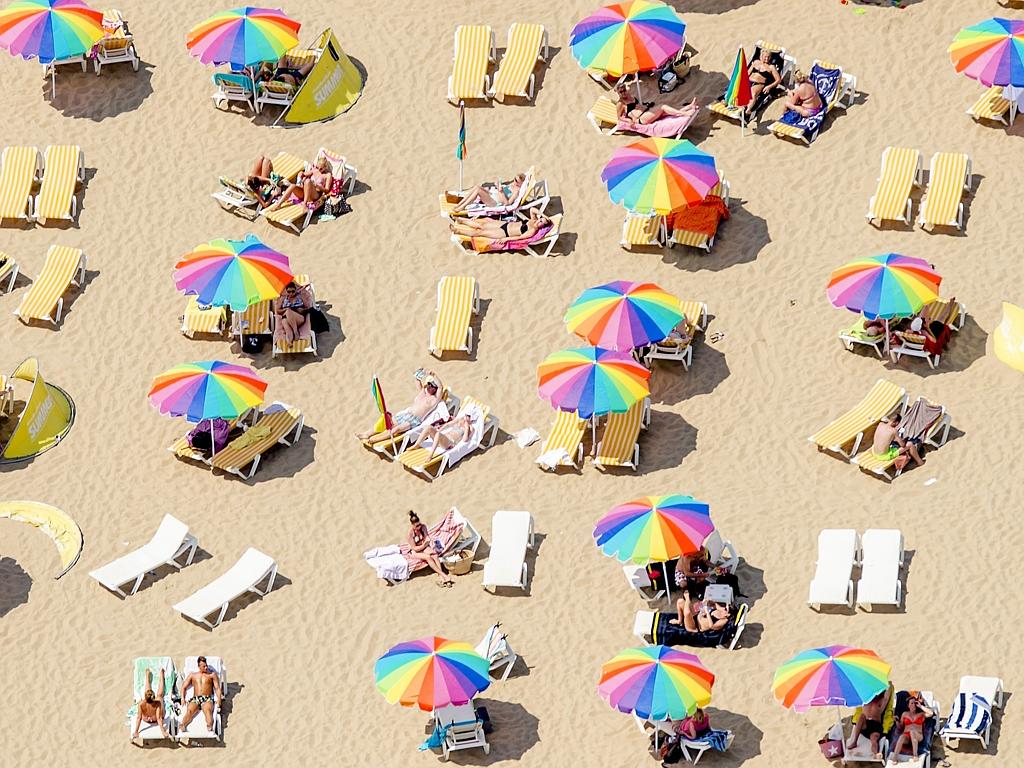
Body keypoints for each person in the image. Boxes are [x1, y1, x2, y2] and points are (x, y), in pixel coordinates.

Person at [355, 372, 444, 445]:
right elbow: (417, 379)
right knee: (386, 422)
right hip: (406, 414)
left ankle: (376, 440)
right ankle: (367, 434)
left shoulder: (434, 399)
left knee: (396, 430)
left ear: (435, 389)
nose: (429, 386)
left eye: (431, 386)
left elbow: (441, 387)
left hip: (414, 420)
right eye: (428, 384)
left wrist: (434, 375)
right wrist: (419, 373)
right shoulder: (422, 392)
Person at [449, 208, 551, 246]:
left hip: (504, 233)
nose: (539, 222)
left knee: (480, 232)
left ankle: (458, 231)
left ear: (542, 227)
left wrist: (505, 239)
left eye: (542, 223)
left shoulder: (532, 230)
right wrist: (544, 215)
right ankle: (461, 220)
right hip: (504, 224)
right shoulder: (533, 220)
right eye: (540, 219)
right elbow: (533, 209)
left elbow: (520, 237)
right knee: (482, 225)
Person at [614, 83, 700, 126]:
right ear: (618, 93)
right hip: (640, 119)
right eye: (621, 92)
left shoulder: (630, 96)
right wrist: (628, 121)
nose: (623, 93)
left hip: (647, 112)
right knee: (662, 107)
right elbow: (618, 117)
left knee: (666, 111)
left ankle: (689, 106)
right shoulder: (620, 103)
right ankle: (684, 113)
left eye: (624, 90)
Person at [407, 510, 453, 587]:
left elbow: (426, 537)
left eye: (419, 525)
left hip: (424, 546)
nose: (419, 527)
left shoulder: (423, 527)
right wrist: (424, 546)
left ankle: (441, 578)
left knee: (434, 555)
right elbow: (415, 548)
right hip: (415, 551)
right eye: (416, 526)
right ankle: (444, 576)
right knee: (428, 557)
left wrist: (428, 542)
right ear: (412, 525)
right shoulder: (410, 534)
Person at [847, 686, 892, 759]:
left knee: (874, 740)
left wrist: (888, 686)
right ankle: (854, 742)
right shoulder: (865, 701)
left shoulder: (880, 702)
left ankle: (876, 753)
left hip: (876, 726)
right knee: (861, 716)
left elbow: (886, 698)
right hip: (865, 724)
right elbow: (859, 692)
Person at [179, 656, 222, 733]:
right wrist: (182, 698)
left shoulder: (212, 675)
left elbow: (217, 688)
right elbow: (183, 687)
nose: (206, 668)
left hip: (207, 698)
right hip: (195, 698)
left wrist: (219, 701)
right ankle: (183, 725)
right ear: (199, 667)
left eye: (206, 665)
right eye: (204, 666)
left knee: (208, 711)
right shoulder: (193, 675)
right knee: (189, 711)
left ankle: (209, 726)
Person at [888, 693, 933, 763]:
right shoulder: (904, 714)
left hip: (918, 735)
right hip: (907, 736)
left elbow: (931, 713)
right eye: (911, 703)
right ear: (908, 705)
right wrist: (897, 721)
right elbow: (900, 727)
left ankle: (915, 755)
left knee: (912, 732)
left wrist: (921, 706)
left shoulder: (921, 714)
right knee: (902, 736)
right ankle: (894, 758)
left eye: (915, 703)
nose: (913, 705)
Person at [452, 173, 526, 213]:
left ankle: (462, 207)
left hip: (495, 202)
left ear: (521, 183)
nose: (514, 181)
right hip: (493, 194)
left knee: (478, 191)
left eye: (516, 181)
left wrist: (501, 191)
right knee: (477, 187)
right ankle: (460, 204)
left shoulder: (516, 192)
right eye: (514, 179)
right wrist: (498, 186)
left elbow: (507, 203)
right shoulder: (512, 185)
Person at [132, 668, 170, 740]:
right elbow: (159, 718)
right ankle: (161, 676)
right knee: (159, 696)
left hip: (145, 719)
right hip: (155, 718)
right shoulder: (157, 702)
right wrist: (163, 731)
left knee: (148, 692)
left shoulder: (141, 704)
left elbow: (139, 718)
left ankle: (147, 676)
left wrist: (136, 731)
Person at [745, 48, 782, 117]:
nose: (767, 59)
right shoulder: (756, 62)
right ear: (761, 56)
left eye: (769, 57)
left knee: (753, 94)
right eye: (765, 57)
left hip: (759, 84)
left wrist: (769, 86)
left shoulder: (771, 67)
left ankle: (748, 110)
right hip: (749, 80)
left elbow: (778, 80)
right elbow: (748, 72)